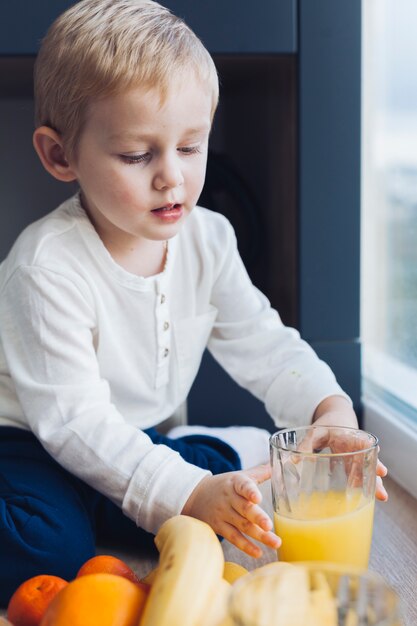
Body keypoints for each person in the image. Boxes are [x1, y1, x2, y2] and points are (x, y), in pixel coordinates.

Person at [0, 0, 387, 604]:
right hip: (28, 440)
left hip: (132, 432)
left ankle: (156, 482)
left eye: (191, 146)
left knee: (211, 481)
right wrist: (183, 491)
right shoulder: (45, 265)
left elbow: (261, 338)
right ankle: (110, 502)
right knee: (45, 547)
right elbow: (73, 424)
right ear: (59, 155)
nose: (171, 177)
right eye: (137, 155)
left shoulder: (209, 238)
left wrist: (326, 407)